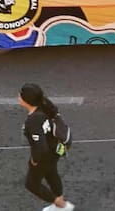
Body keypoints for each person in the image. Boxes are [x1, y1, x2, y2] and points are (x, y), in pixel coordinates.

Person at [18, 83, 74, 211]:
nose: (18, 96)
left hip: (46, 154)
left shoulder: (33, 121)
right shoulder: (44, 107)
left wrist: (34, 161)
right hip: (56, 149)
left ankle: (61, 205)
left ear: (27, 100)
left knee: (31, 184)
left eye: (20, 94)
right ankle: (60, 202)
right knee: (51, 172)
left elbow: (41, 148)